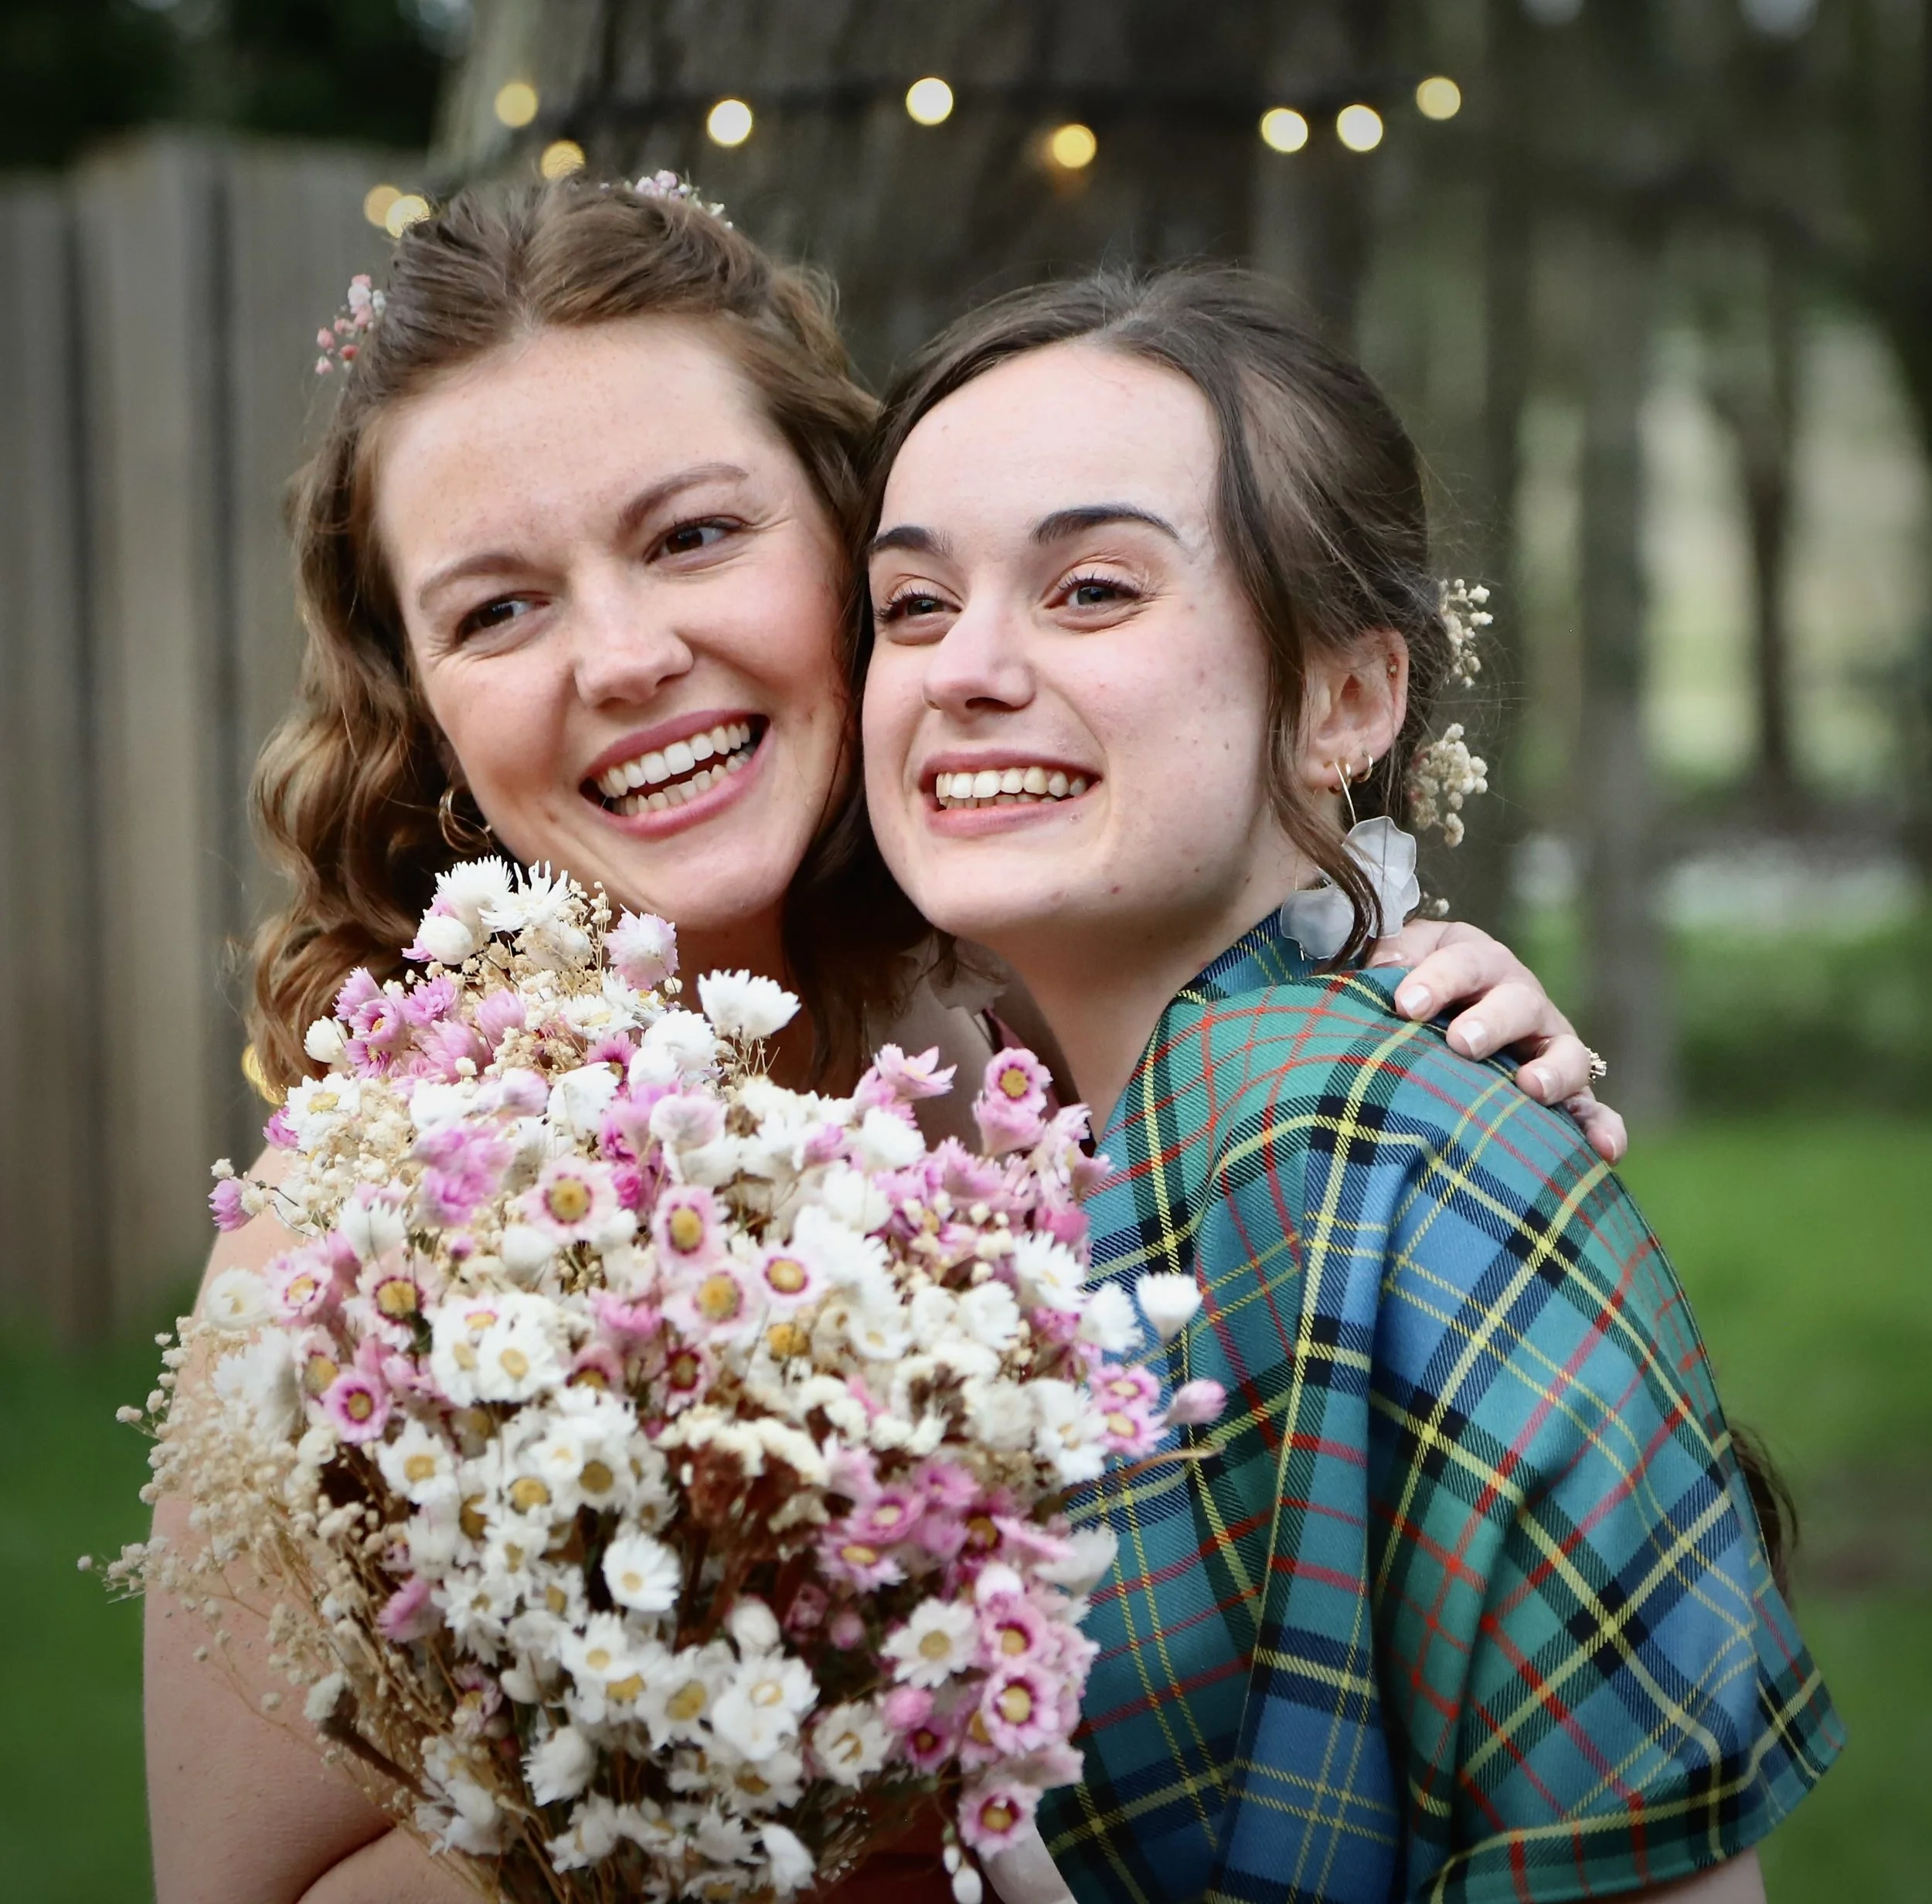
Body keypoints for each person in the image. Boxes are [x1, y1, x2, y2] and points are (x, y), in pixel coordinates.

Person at [148, 178, 1620, 1904]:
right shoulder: (356, 1248)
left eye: (694, 536)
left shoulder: (1049, 1043)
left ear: (849, 551)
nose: (626, 656)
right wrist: (740, 1732)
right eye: (496, 610)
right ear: (425, 713)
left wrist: (1415, 1003)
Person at [859, 268, 1842, 1903]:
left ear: (1346, 698)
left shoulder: (1393, 1146)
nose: (965, 664)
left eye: (1090, 589)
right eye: (908, 605)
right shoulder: (983, 1190)